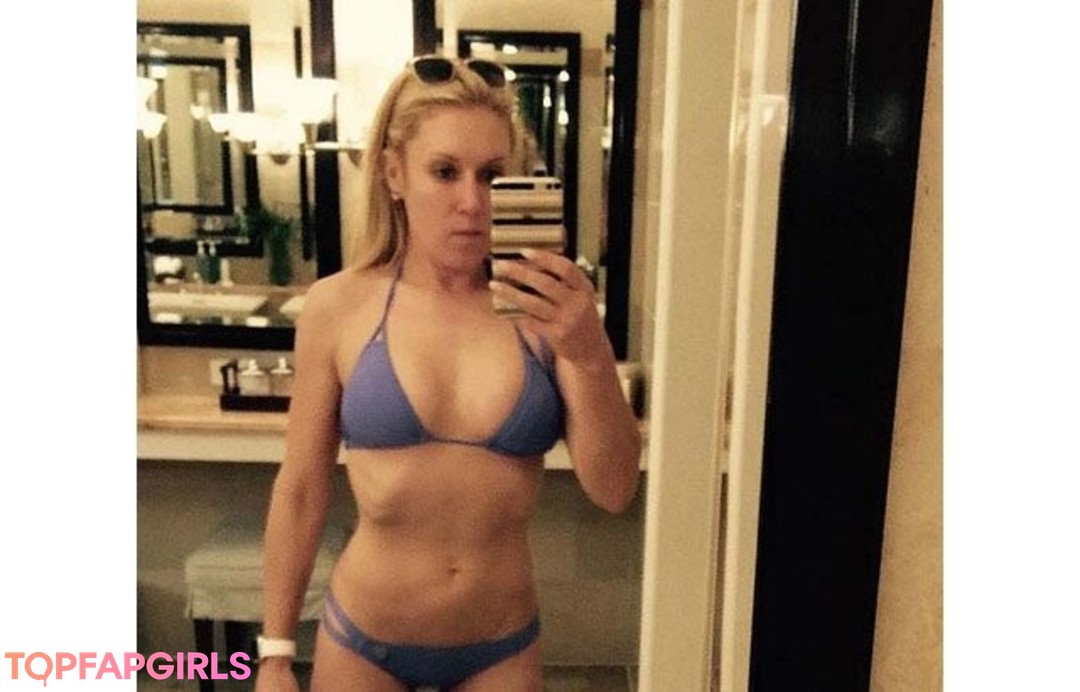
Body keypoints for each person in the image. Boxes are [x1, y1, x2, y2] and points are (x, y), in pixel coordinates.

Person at [254, 55, 642, 692]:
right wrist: (273, 655)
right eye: (445, 172)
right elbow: (300, 488)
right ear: (394, 173)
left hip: (501, 647)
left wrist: (588, 352)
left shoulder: (545, 312)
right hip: (363, 642)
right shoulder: (338, 307)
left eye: (491, 175)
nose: (472, 201)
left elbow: (615, 488)